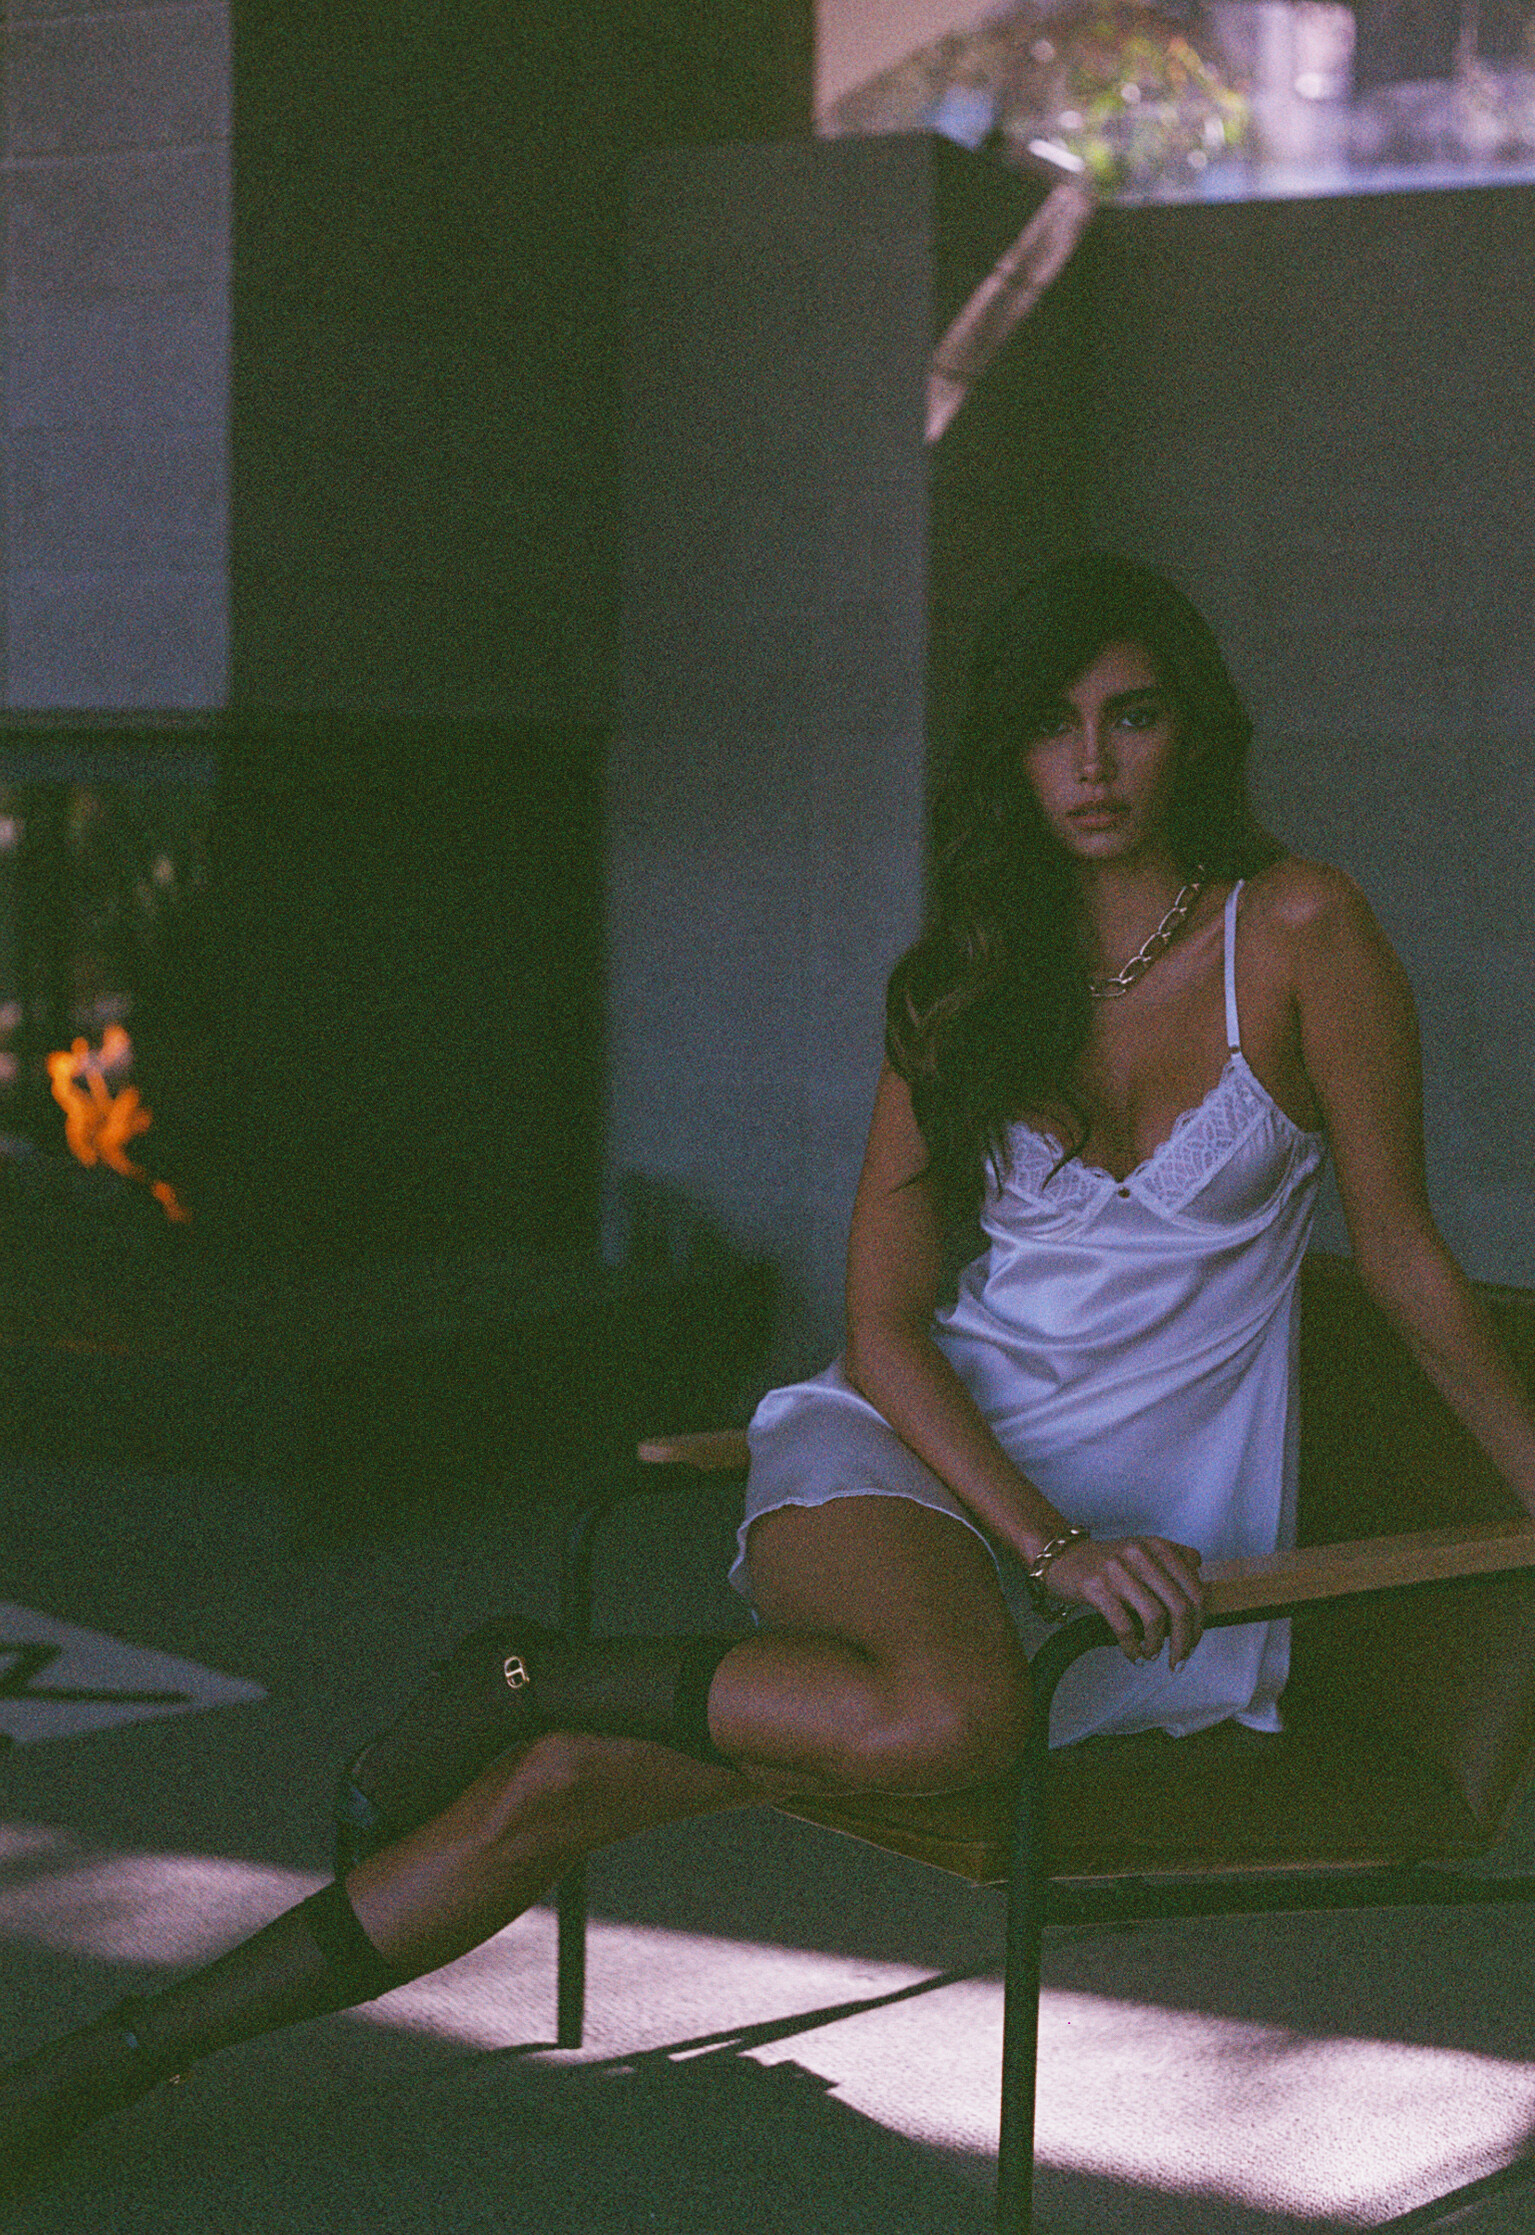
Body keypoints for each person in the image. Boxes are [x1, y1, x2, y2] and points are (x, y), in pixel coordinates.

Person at [7, 553, 1535, 2189]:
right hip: (915, 1460)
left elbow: (1405, 1261)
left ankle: (103, 2058)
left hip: (1149, 1557)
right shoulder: (965, 979)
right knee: (952, 1705)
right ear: (1009, 754)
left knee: (566, 1791)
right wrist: (1052, 1546)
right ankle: (534, 1670)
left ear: (1194, 733)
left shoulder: (1298, 931)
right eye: (1051, 724)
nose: (1091, 764)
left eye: (1132, 716)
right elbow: (884, 1327)